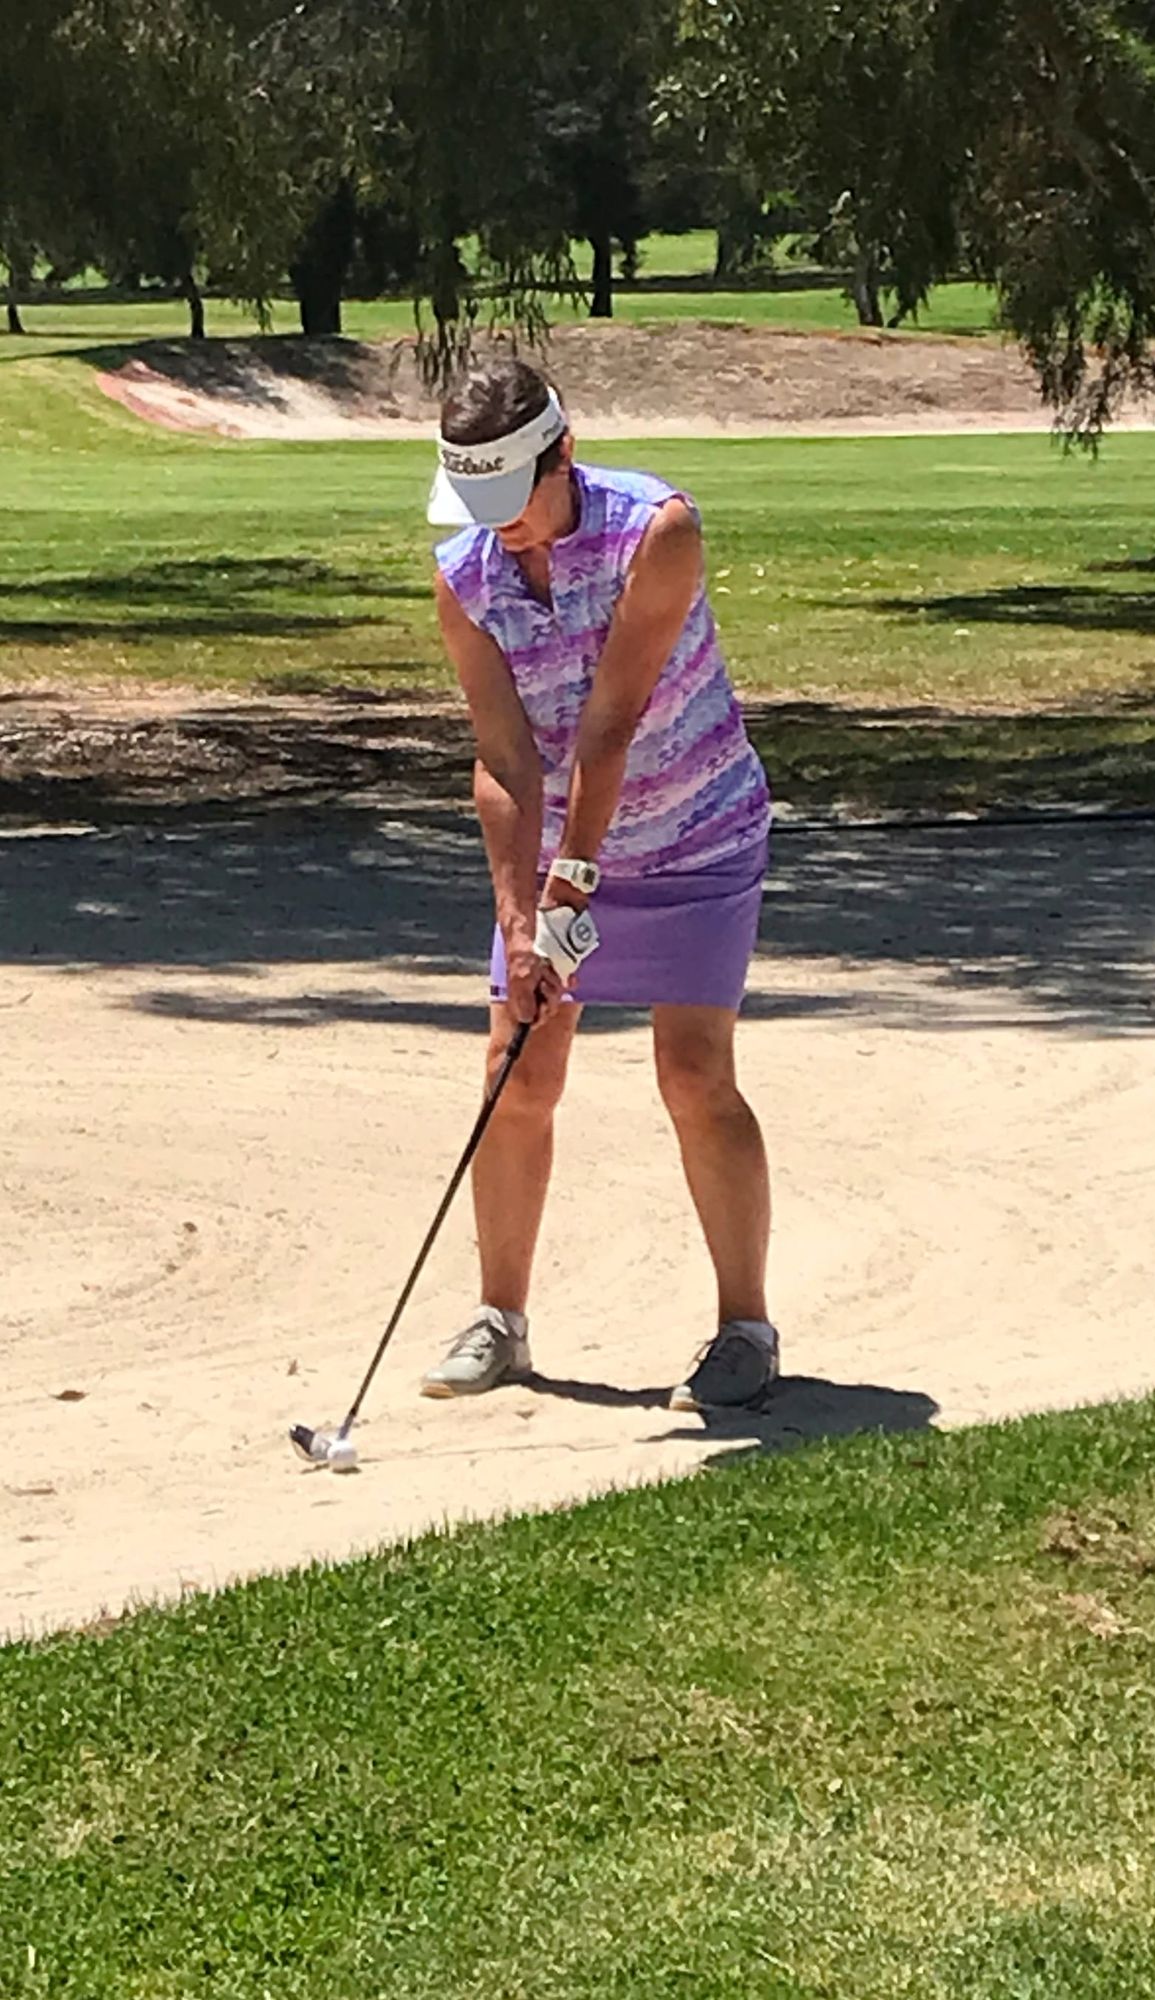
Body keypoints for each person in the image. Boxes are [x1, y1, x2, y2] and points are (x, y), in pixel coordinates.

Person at [419, 354, 778, 1412]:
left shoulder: (656, 531)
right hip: (561, 847)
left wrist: (573, 882)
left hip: (693, 832)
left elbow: (609, 726)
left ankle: (744, 1328)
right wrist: (520, 911)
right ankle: (498, 1317)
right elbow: (505, 756)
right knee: (514, 1071)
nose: (502, 527)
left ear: (561, 453)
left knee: (691, 1070)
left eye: (514, 498)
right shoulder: (465, 575)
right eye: (479, 505)